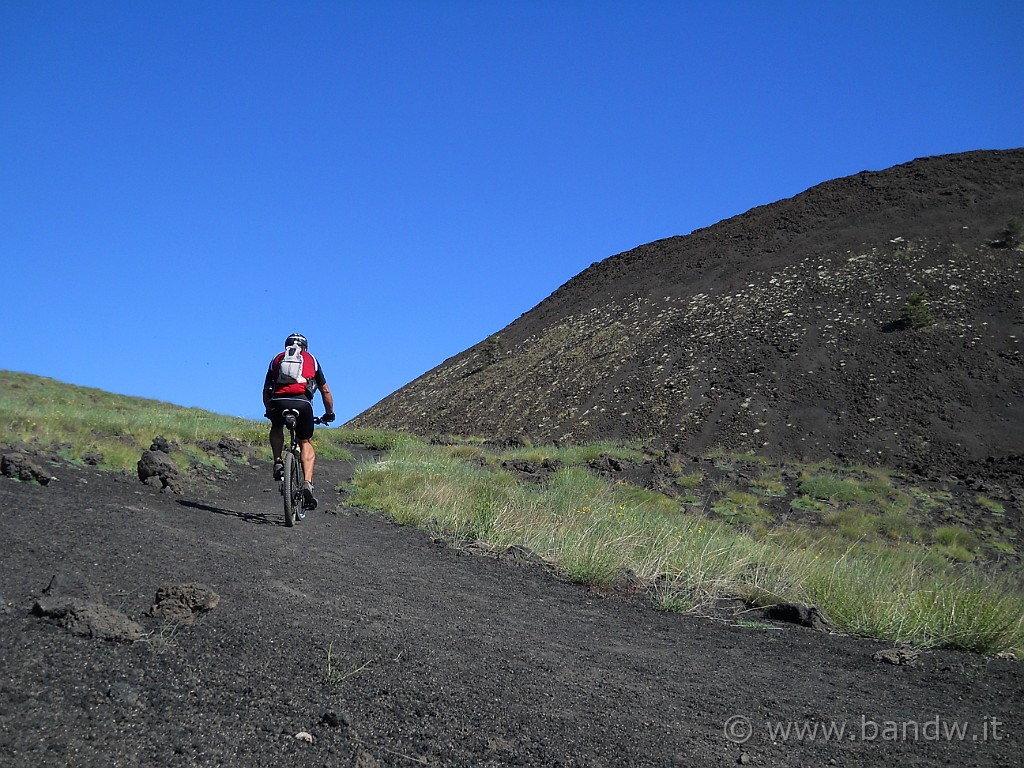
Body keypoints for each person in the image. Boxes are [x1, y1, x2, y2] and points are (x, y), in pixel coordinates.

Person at [263, 333, 335, 510]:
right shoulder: (311, 360)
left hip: (278, 402)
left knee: (276, 425)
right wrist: (329, 413)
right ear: (306, 347)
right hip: (302, 404)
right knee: (305, 441)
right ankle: (307, 484)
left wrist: (269, 410)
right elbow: (325, 391)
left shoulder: (277, 359)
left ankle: (278, 461)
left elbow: (266, 390)